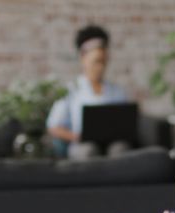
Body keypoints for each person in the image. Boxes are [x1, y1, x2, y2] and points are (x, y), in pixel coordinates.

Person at [46, 24, 130, 159]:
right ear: (83, 58)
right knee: (89, 150)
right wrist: (77, 137)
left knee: (120, 149)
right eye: (96, 62)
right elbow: (53, 127)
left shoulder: (117, 91)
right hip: (82, 144)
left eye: (103, 61)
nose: (100, 67)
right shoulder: (71, 90)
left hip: (112, 144)